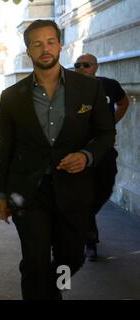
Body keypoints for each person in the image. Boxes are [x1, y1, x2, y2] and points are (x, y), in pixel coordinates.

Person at [0, 20, 115, 300]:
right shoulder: (12, 97)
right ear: (28, 51)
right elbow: (8, 146)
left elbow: (106, 134)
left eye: (50, 41)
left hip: (74, 190)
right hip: (28, 192)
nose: (44, 48)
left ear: (60, 45)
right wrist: (0, 193)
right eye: (37, 44)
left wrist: (87, 156)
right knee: (35, 262)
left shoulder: (89, 89)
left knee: (70, 259)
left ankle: (53, 292)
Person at [74, 53, 130, 261]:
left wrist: (111, 122)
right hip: (80, 153)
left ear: (95, 67)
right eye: (77, 65)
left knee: (105, 188)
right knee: (84, 196)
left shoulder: (109, 85)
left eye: (86, 65)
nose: (81, 68)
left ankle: (85, 223)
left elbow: (124, 103)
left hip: (104, 150)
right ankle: (90, 241)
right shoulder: (70, 89)